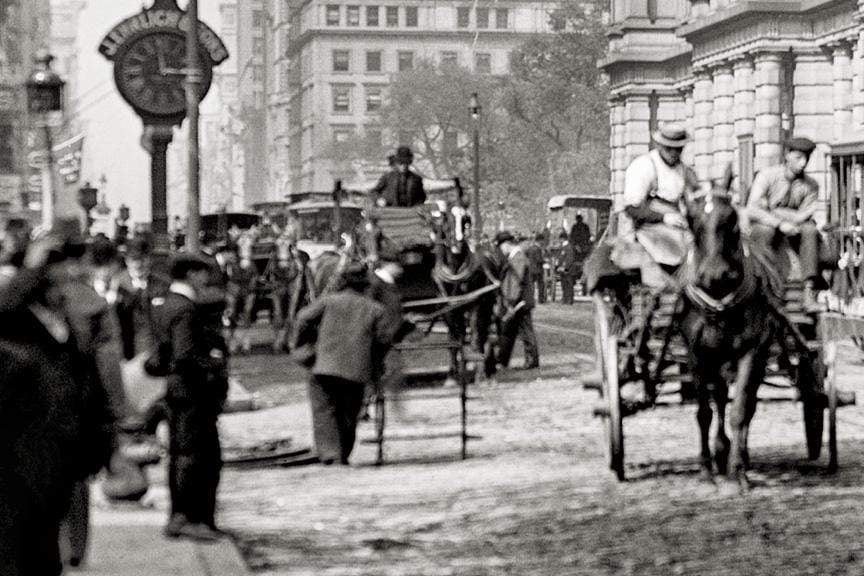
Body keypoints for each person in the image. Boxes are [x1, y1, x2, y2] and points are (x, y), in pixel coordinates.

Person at [0, 229, 115, 575]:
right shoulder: (19, 330)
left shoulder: (64, 331)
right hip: (19, 467)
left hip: (61, 460)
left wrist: (104, 445)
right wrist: (33, 265)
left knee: (46, 555)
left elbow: (89, 391)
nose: (63, 284)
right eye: (52, 280)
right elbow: (5, 308)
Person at [147, 253, 228, 541]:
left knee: (183, 454)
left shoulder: (165, 304)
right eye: (202, 272)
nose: (206, 278)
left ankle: (183, 515)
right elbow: (184, 355)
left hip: (178, 391)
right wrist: (212, 362)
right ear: (192, 274)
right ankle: (189, 516)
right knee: (196, 456)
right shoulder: (185, 309)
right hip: (192, 393)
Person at [292, 263, 394, 465]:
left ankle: (331, 455)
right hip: (356, 370)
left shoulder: (328, 301)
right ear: (365, 286)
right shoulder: (375, 309)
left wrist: (304, 348)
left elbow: (302, 318)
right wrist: (374, 362)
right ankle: (343, 454)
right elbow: (384, 340)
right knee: (350, 412)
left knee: (324, 410)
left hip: (323, 366)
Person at [745, 136, 835, 306]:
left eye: (806, 159)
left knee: (810, 230)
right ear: (787, 155)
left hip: (795, 230)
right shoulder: (767, 176)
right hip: (767, 227)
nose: (803, 163)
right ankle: (768, 285)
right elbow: (752, 208)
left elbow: (803, 215)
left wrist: (775, 211)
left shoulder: (811, 185)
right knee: (764, 231)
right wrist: (779, 222)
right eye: (798, 158)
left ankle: (809, 291)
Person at [615, 123, 699, 286]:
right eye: (669, 149)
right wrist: (664, 217)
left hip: (678, 229)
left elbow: (693, 201)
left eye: (679, 149)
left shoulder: (686, 171)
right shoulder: (644, 166)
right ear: (660, 145)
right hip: (647, 228)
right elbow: (633, 208)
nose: (674, 153)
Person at [495, 231, 540, 370]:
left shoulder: (518, 257)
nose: (502, 251)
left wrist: (511, 302)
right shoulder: (516, 257)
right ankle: (504, 360)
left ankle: (532, 360)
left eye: (502, 248)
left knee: (526, 331)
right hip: (519, 301)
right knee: (513, 331)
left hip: (521, 302)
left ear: (507, 245)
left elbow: (516, 282)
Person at [523, 233, 546, 304]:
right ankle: (541, 299)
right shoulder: (538, 249)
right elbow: (539, 260)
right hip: (538, 270)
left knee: (531, 285)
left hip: (530, 269)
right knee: (541, 285)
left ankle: (531, 299)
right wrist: (544, 261)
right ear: (540, 241)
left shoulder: (529, 248)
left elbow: (525, 256)